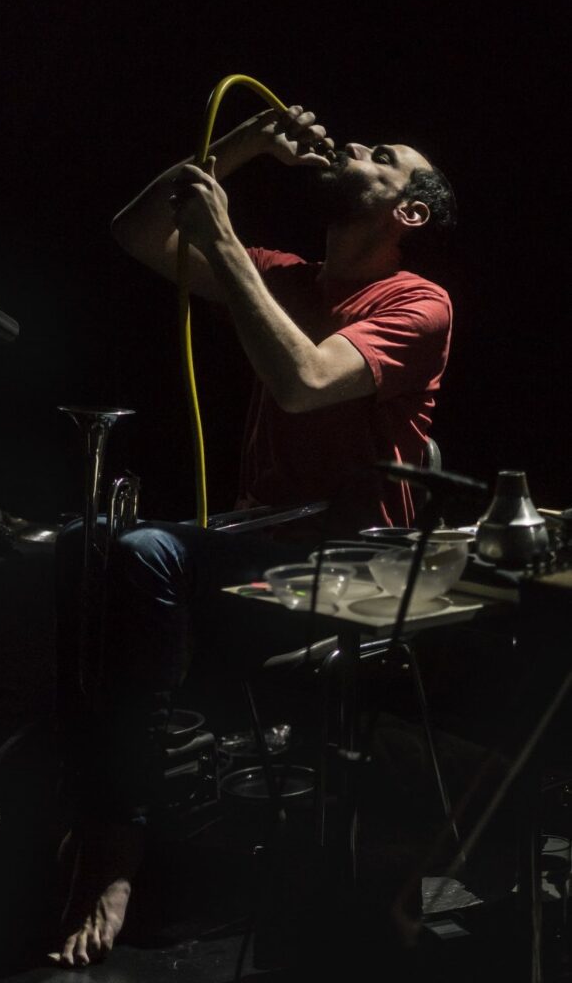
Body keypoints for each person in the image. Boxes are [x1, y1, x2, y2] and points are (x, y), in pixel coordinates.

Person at [49, 103, 457, 966]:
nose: (355, 144)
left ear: (408, 210)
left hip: (353, 573)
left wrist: (225, 243)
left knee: (144, 552)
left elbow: (304, 382)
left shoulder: (418, 303)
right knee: (86, 541)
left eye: (381, 153)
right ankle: (83, 811)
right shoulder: (288, 275)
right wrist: (240, 146)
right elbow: (135, 231)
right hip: (265, 550)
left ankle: (117, 850)